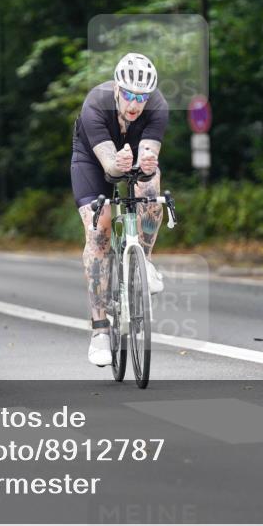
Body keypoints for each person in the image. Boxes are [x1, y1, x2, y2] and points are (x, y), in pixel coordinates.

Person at [71, 53, 168, 367]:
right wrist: (118, 163)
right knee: (99, 230)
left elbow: (149, 152)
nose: (134, 103)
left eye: (141, 97)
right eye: (128, 94)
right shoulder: (96, 104)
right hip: (93, 159)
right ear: (116, 88)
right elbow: (110, 167)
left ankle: (145, 262)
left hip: (132, 156)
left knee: (152, 193)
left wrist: (147, 165)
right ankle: (99, 330)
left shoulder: (157, 107)